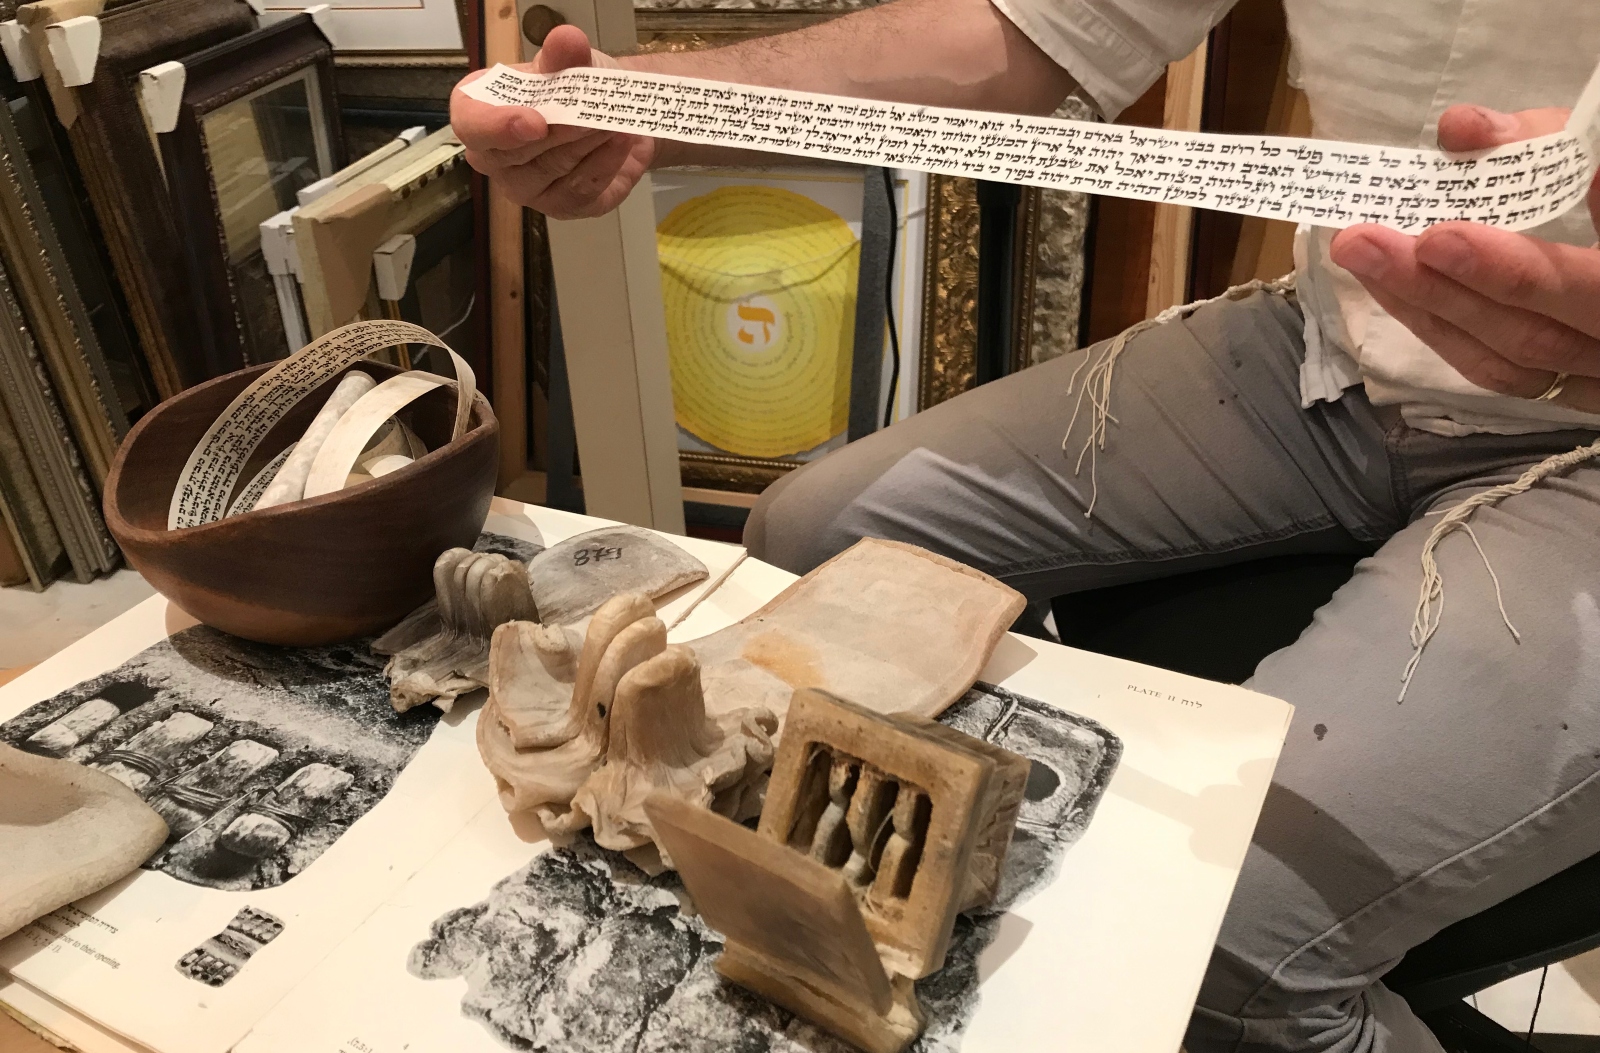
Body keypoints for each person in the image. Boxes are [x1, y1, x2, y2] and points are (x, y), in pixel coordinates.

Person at [451, 2, 1600, 1049]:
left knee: (1219, 940)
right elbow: (1033, 28)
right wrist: (636, 102)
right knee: (815, 533)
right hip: (1335, 353)